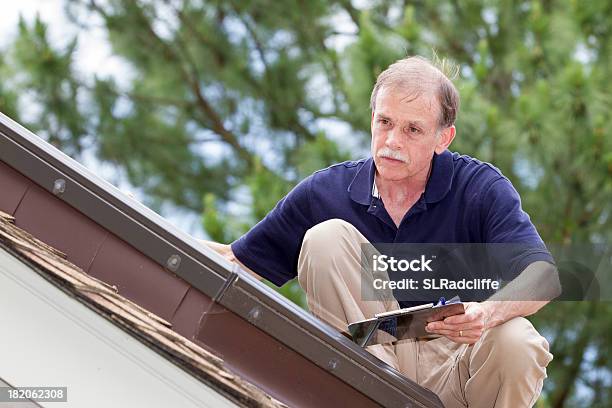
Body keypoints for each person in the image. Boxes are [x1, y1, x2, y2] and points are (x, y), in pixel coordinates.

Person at [205, 56, 560, 408]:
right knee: (326, 238)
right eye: (385, 122)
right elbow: (235, 260)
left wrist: (486, 313)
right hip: (363, 370)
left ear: (443, 137)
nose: (392, 141)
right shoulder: (325, 192)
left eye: (412, 129)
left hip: (457, 371)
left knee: (518, 341)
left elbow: (544, 278)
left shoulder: (480, 189)